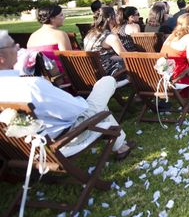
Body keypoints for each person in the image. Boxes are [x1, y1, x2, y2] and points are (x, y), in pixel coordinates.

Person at [0, 31, 133, 159]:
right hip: (69, 137)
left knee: (99, 103)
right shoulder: (31, 85)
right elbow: (77, 109)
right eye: (12, 45)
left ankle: (121, 145)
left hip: (29, 145)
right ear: (1, 59)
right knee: (106, 82)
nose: (18, 46)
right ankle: (120, 145)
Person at [26, 5, 72, 73]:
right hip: (60, 76)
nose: (64, 17)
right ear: (52, 18)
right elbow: (69, 59)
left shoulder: (32, 36)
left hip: (40, 76)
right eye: (61, 15)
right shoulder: (60, 34)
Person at [83, 6, 126, 76]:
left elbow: (104, 56)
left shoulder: (90, 34)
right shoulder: (110, 37)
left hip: (92, 71)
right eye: (116, 14)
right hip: (107, 73)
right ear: (110, 18)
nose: (118, 16)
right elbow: (127, 56)